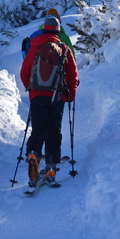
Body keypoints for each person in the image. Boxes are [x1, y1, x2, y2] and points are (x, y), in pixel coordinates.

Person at [20, 16, 79, 186]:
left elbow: (24, 72)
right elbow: (73, 75)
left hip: (37, 96)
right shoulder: (64, 49)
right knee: (54, 131)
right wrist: (71, 95)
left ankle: (33, 155)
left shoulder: (34, 47)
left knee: (38, 130)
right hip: (57, 96)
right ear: (58, 31)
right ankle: (51, 167)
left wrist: (31, 90)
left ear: (44, 29)